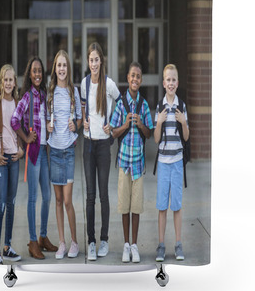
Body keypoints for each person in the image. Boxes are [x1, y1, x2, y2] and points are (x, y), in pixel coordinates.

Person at [11, 56, 57, 260]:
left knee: (47, 196)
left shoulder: (44, 94)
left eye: (40, 71)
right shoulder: (27, 97)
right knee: (32, 198)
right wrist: (25, 137)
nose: (37, 74)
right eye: (34, 71)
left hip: (44, 152)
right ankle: (31, 241)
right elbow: (14, 120)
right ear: (29, 74)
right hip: (33, 154)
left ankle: (43, 237)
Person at [81, 42, 121, 261]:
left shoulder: (109, 84)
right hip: (88, 145)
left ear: (101, 61)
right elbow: (83, 108)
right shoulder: (84, 83)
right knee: (90, 196)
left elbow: (121, 103)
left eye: (97, 59)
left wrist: (112, 125)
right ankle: (91, 241)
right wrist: (83, 122)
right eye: (91, 59)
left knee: (104, 195)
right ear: (88, 62)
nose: (94, 63)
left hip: (104, 145)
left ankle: (104, 239)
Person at [110, 62, 153, 263]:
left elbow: (150, 133)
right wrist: (126, 124)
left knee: (136, 207)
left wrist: (140, 124)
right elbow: (112, 131)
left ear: (141, 80)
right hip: (124, 163)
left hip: (138, 164)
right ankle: (126, 245)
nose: (135, 79)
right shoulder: (121, 104)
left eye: (138, 76)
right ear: (127, 78)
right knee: (124, 206)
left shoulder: (144, 104)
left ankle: (135, 245)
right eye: (132, 76)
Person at [0, 64, 23, 264]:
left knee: (12, 203)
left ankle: (7, 246)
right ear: (1, 82)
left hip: (14, 159)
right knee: (0, 205)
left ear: (15, 82)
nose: (8, 83)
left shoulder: (18, 103)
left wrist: (22, 149)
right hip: (1, 160)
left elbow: (21, 130)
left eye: (11, 80)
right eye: (5, 80)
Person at [47, 50, 82, 259]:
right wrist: (47, 127)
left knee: (68, 200)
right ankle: (61, 243)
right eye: (58, 65)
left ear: (68, 68)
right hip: (54, 150)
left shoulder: (73, 92)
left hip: (68, 151)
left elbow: (79, 119)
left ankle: (74, 242)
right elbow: (45, 119)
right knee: (58, 200)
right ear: (55, 69)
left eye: (64, 65)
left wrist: (75, 125)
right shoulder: (50, 92)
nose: (61, 69)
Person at [154, 64, 189, 262]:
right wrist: (158, 122)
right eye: (168, 80)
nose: (171, 83)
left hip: (176, 163)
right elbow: (157, 140)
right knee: (161, 206)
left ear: (178, 82)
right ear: (163, 83)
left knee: (176, 205)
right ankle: (161, 245)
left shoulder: (182, 107)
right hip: (163, 163)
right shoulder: (159, 107)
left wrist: (183, 122)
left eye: (174, 80)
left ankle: (178, 243)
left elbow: (186, 136)